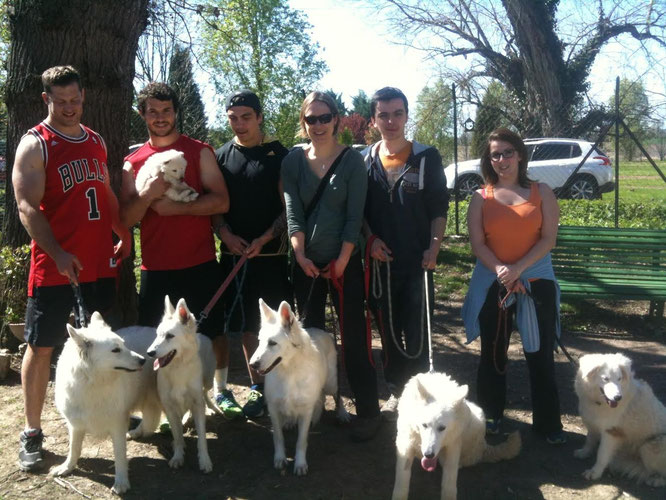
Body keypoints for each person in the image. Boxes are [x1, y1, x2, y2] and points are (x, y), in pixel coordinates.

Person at [13, 65, 131, 471]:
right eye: (60, 101)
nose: (69, 108)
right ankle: (31, 431)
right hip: (55, 266)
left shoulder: (95, 140)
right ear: (46, 99)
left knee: (105, 342)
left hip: (98, 262)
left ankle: (112, 411)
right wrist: (59, 253)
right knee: (41, 346)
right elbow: (27, 207)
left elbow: (104, 191)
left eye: (75, 100)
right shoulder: (36, 143)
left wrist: (122, 230)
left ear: (83, 96)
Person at [119, 82, 229, 400]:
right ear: (142, 114)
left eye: (166, 110)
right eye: (152, 111)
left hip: (200, 262)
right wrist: (148, 195)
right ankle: (166, 401)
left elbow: (221, 202)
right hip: (157, 267)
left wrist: (177, 207)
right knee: (160, 340)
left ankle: (220, 391)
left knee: (214, 333)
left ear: (175, 111)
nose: (160, 117)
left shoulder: (199, 151)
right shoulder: (133, 161)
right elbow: (126, 219)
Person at [282, 91, 381, 441]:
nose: (319, 125)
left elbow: (355, 216)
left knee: (354, 339)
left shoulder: (353, 162)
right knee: (310, 340)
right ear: (303, 123)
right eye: (312, 119)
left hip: (346, 265)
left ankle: (368, 410)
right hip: (306, 265)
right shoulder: (293, 161)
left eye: (325, 118)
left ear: (336, 120)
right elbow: (292, 212)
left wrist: (341, 259)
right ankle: (313, 407)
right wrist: (301, 255)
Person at [462, 128, 565, 444]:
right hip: (494, 281)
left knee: (540, 353)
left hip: (536, 281)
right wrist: (503, 271)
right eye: (495, 154)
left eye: (507, 152)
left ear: (520, 154)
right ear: (488, 160)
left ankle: (548, 425)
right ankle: (490, 417)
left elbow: (548, 239)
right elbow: (478, 244)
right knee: (493, 353)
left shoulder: (542, 192)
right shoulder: (481, 197)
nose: (502, 160)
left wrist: (518, 269)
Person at [363, 87, 449, 421]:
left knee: (418, 331)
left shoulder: (427, 156)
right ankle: (396, 392)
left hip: (417, 260)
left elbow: (439, 207)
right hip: (381, 265)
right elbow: (361, 212)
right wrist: (370, 241)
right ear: (374, 119)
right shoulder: (365, 159)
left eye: (397, 113)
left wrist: (435, 246)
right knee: (387, 329)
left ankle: (421, 392)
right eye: (383, 114)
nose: (391, 120)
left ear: (406, 115)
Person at [213, 90, 292, 419]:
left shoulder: (278, 155)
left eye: (246, 117)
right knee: (247, 326)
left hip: (271, 257)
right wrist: (225, 234)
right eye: (233, 118)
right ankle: (258, 388)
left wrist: (265, 237)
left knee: (277, 329)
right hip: (234, 257)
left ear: (259, 117)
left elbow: (290, 208)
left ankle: (281, 387)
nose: (240, 124)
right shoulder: (219, 156)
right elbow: (214, 208)